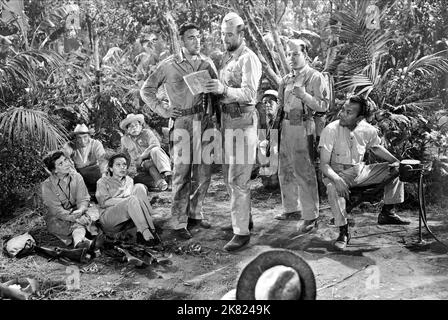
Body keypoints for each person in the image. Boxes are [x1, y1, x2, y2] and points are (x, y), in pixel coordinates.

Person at [140, 23, 218, 240]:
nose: (196, 41)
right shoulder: (169, 65)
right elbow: (146, 90)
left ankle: (195, 213)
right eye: (191, 38)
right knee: (181, 174)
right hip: (181, 122)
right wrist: (164, 110)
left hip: (202, 122)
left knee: (203, 173)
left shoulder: (206, 63)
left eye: (198, 37)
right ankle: (178, 221)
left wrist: (213, 116)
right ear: (182, 41)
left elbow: (216, 92)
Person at [319, 95, 410, 251]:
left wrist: (397, 162)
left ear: (360, 117)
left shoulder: (368, 129)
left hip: (360, 171)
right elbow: (323, 164)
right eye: (343, 110)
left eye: (349, 112)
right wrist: (337, 179)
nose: (342, 114)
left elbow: (376, 147)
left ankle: (387, 212)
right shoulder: (331, 129)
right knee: (333, 188)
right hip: (335, 172)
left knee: (396, 169)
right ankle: (343, 232)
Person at [204, 12, 262, 251]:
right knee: (230, 176)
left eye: (229, 34)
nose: (225, 38)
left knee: (238, 179)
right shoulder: (227, 60)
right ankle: (243, 220)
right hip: (227, 122)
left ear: (241, 33)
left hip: (243, 120)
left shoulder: (249, 59)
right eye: (222, 34)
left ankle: (241, 234)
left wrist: (222, 88)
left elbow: (249, 94)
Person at [276, 39, 329, 231]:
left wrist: (305, 95)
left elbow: (324, 106)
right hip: (286, 125)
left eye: (296, 54)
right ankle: (290, 208)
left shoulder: (314, 77)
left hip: (304, 126)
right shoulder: (286, 79)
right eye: (289, 54)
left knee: (304, 170)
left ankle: (310, 215)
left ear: (305, 55)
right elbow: (280, 104)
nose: (291, 58)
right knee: (285, 168)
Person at [95, 153, 161, 246]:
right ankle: (145, 233)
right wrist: (128, 200)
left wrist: (131, 200)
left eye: (124, 164)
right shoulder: (102, 182)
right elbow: (105, 202)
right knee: (132, 199)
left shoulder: (129, 180)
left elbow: (134, 201)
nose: (122, 167)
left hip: (127, 218)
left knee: (139, 187)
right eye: (118, 165)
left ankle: (149, 229)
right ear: (110, 168)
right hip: (109, 219)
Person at [41, 151, 98, 249]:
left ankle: (79, 244)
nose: (67, 164)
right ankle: (82, 242)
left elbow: (83, 199)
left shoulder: (77, 177)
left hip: (77, 211)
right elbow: (57, 211)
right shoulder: (47, 185)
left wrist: (80, 210)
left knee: (87, 219)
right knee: (76, 223)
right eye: (61, 163)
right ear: (54, 170)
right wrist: (75, 218)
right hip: (57, 217)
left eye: (65, 160)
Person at [120, 113, 172, 192]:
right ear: (127, 129)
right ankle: (162, 182)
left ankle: (168, 176)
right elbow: (124, 156)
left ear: (141, 126)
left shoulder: (147, 133)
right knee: (144, 167)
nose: (134, 128)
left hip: (158, 160)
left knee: (155, 150)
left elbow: (155, 144)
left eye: (136, 125)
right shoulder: (125, 139)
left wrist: (142, 157)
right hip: (142, 167)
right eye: (131, 126)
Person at [62, 124, 107, 195]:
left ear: (89, 136)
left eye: (85, 137)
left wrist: (104, 174)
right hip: (79, 174)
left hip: (95, 173)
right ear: (75, 138)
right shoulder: (70, 145)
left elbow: (102, 159)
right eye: (79, 138)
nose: (82, 141)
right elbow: (65, 158)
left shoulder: (96, 144)